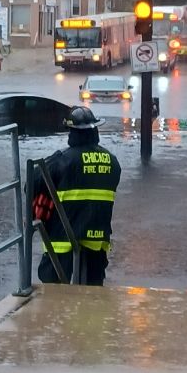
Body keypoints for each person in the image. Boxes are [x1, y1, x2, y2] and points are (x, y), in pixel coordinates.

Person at [30, 107, 122, 286]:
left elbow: (31, 183)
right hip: (97, 236)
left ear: (71, 132)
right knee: (93, 291)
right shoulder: (112, 161)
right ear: (95, 130)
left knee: (53, 291)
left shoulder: (62, 160)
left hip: (63, 236)